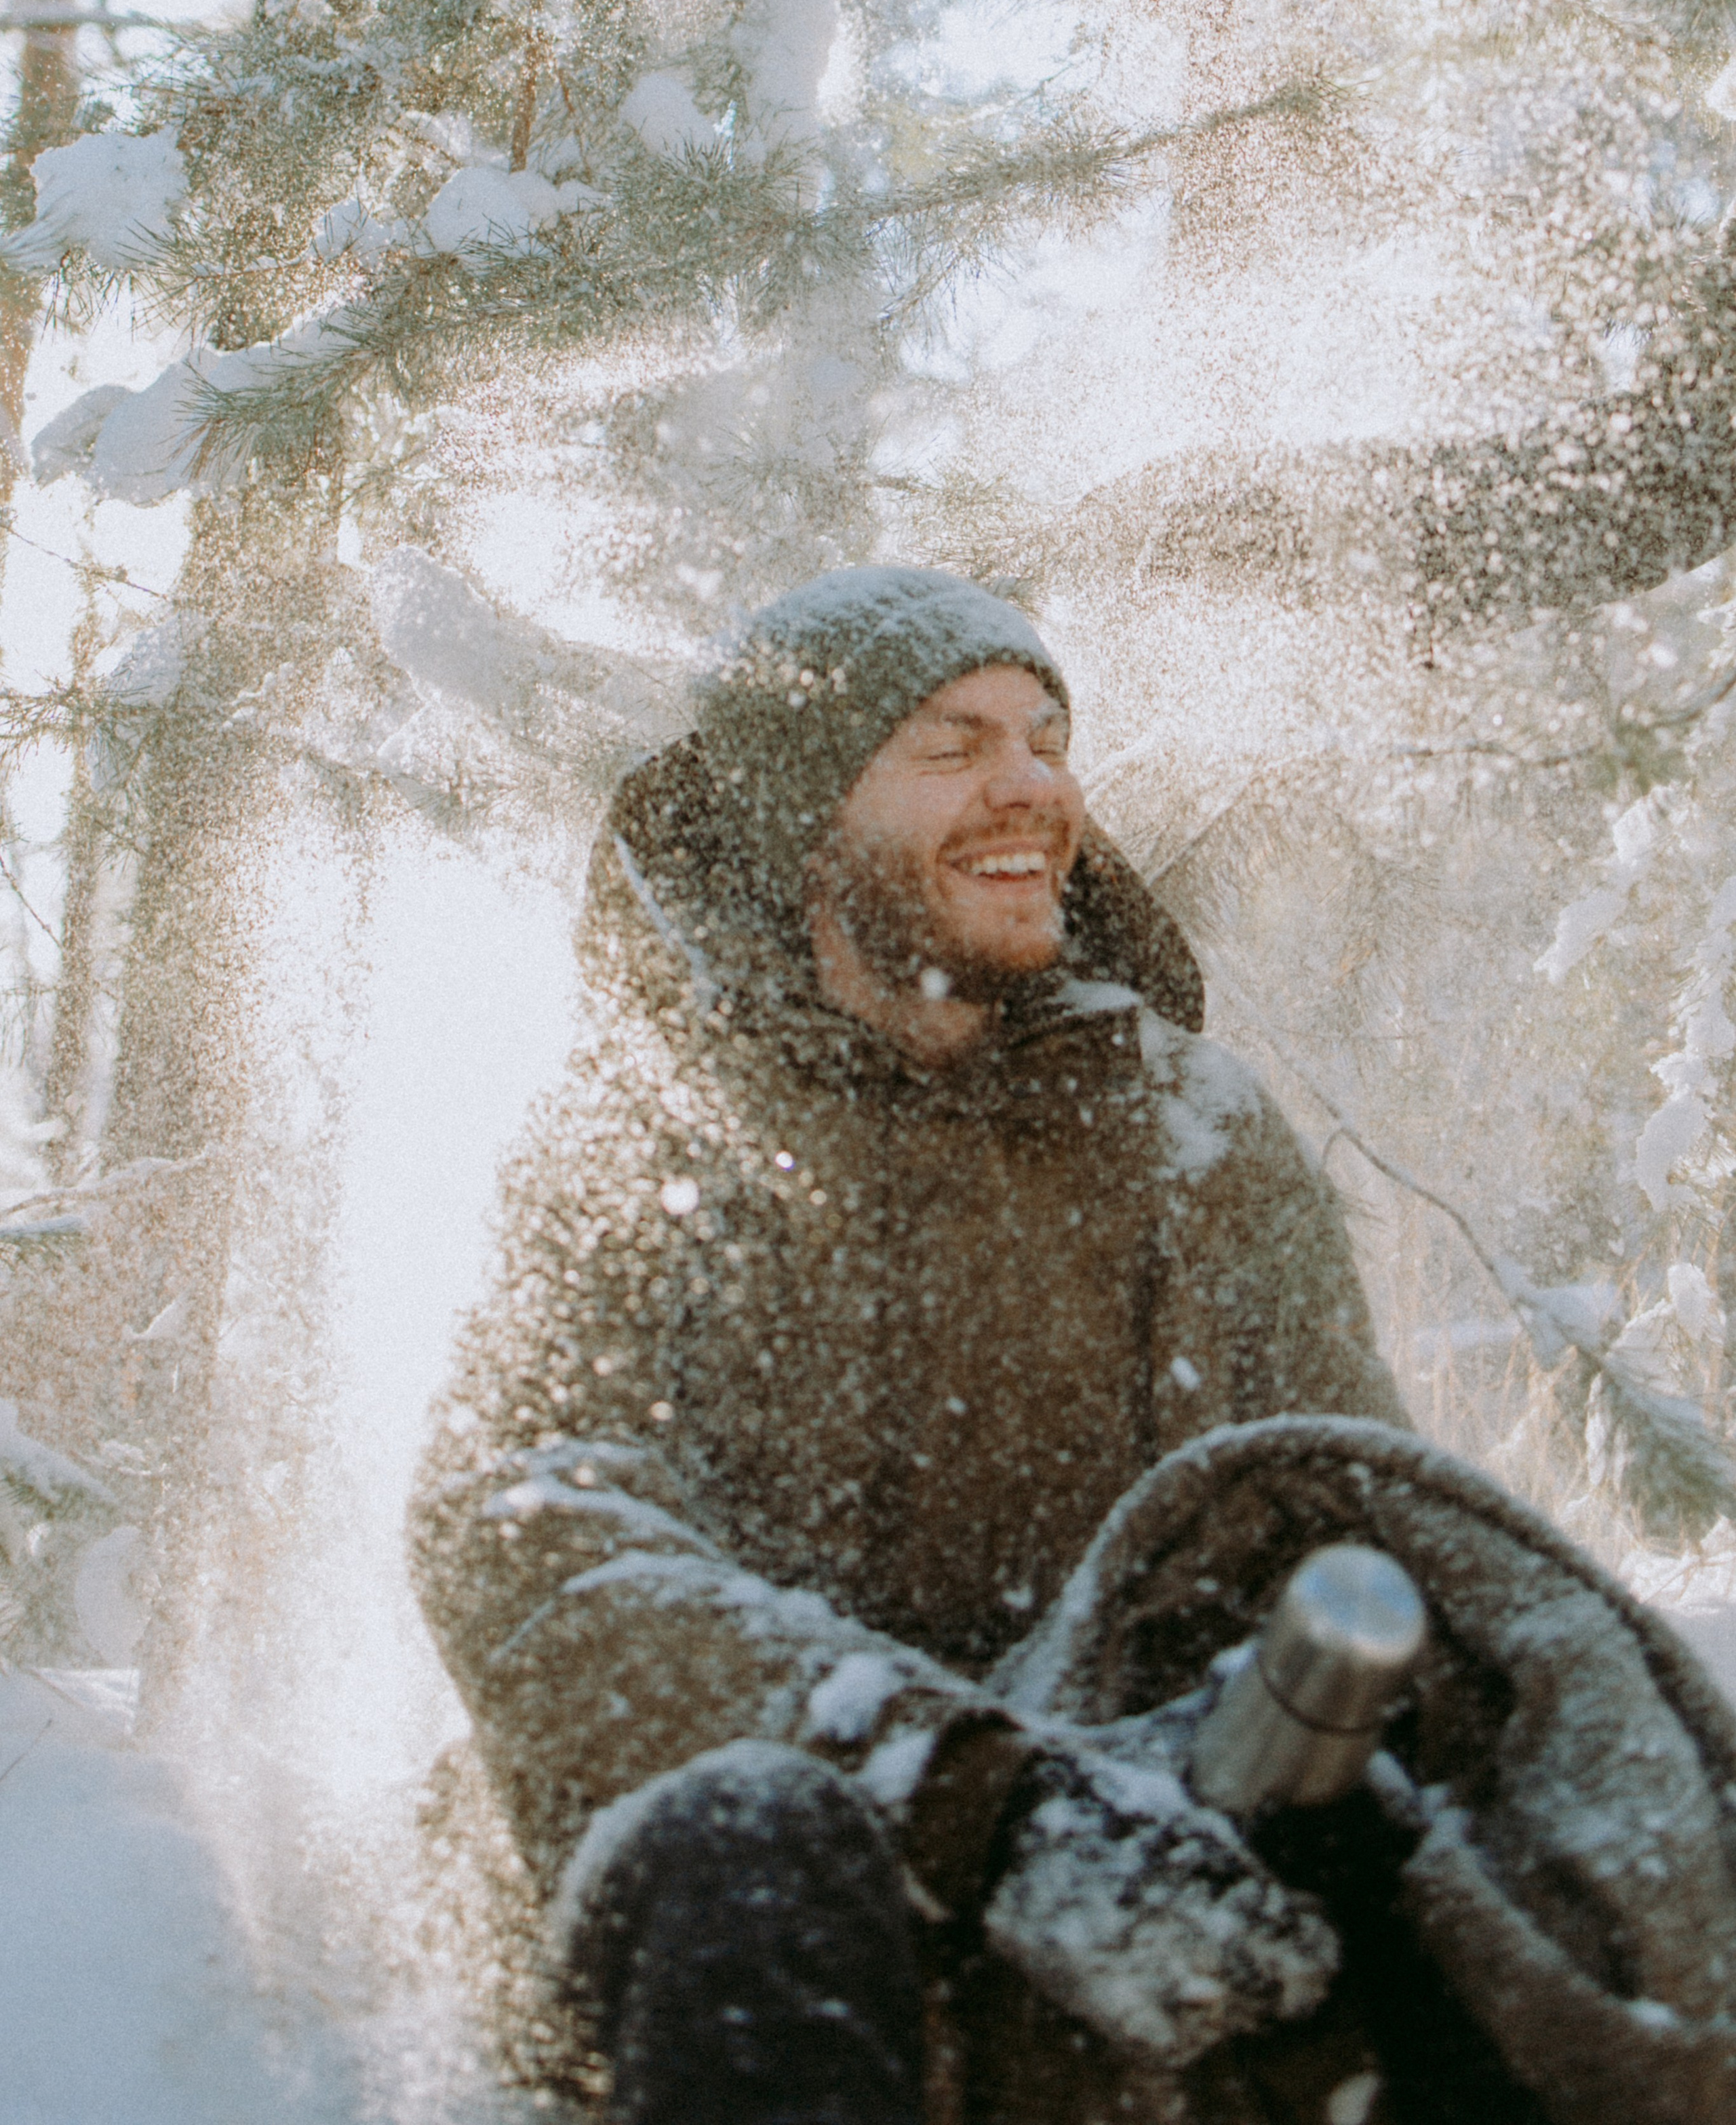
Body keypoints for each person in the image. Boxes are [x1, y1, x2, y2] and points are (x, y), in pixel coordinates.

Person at [408, 565, 1408, 2125]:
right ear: (804, 816)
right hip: (713, 1908)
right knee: (758, 1840)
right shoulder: (639, 1129)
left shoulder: (1192, 1133)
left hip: (1118, 1836)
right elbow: (527, 1530)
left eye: (1044, 736)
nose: (1032, 785)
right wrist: (973, 1802)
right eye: (947, 746)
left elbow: (1346, 1511)